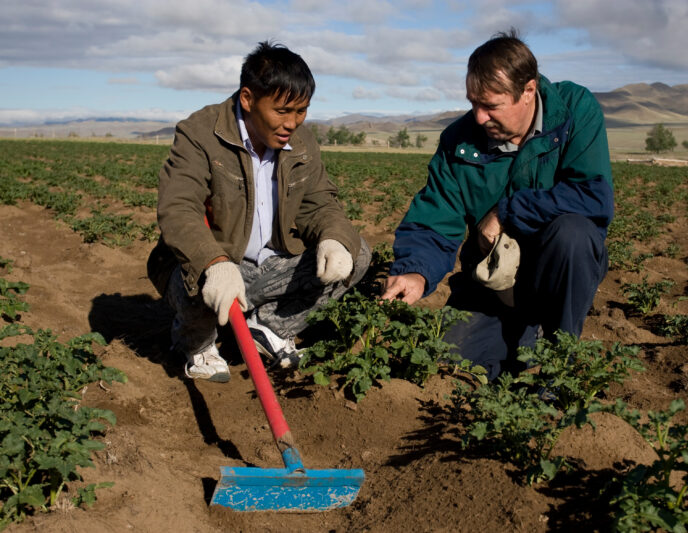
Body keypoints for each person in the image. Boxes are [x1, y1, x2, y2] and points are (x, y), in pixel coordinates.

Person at [381, 30, 613, 380]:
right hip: (490, 284)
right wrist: (416, 270)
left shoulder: (573, 111)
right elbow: (434, 219)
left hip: (556, 278)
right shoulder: (459, 142)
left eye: (491, 105)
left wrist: (505, 211)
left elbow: (593, 196)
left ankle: (558, 362)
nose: (479, 117)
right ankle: (521, 338)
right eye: (473, 103)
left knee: (573, 233)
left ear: (528, 91)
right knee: (442, 370)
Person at [147, 41, 370, 382]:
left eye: (301, 111)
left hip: (271, 264)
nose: (292, 122)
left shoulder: (301, 142)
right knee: (198, 276)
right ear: (248, 99)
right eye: (282, 111)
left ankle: (268, 328)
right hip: (219, 264)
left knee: (358, 252)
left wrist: (334, 237)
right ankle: (198, 344)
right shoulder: (201, 134)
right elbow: (179, 208)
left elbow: (319, 202)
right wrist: (214, 262)